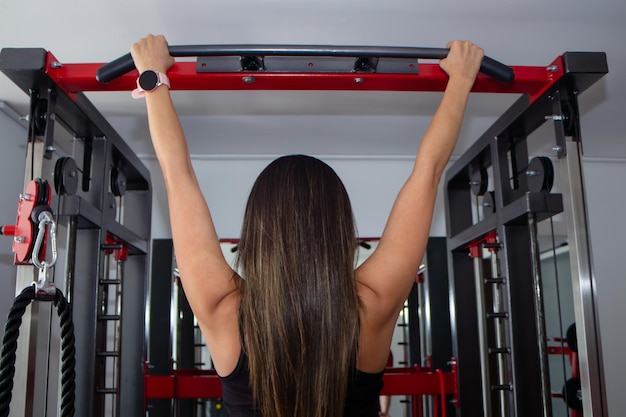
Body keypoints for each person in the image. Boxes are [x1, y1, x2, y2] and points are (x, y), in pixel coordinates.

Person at [130, 35, 484, 417]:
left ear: (256, 232)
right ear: (340, 230)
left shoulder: (225, 308)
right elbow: (427, 172)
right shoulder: (372, 304)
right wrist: (461, 80)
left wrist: (153, 78)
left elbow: (176, 175)